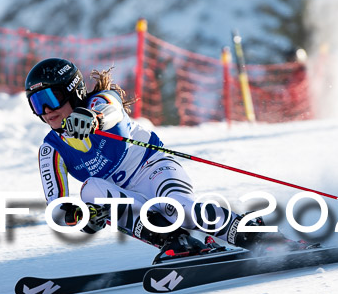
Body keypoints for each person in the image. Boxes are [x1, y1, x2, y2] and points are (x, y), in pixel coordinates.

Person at [25, 57, 293, 262]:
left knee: (178, 209)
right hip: (126, 196)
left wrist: (94, 120)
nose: (47, 111)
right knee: (91, 189)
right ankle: (179, 243)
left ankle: (256, 234)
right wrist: (82, 218)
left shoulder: (99, 102)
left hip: (153, 168)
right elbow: (57, 209)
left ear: (73, 91)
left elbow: (112, 109)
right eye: (37, 104)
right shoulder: (51, 150)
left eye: (51, 98)